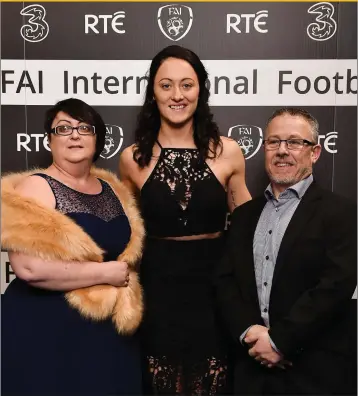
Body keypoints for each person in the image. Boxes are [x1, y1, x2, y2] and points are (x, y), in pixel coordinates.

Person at [119, 45, 252, 395]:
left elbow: (249, 225)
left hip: (215, 286)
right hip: (158, 286)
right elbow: (127, 233)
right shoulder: (132, 159)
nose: (177, 95)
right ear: (152, 92)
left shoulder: (228, 151)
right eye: (166, 85)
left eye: (186, 85)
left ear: (200, 90)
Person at [1, 98, 145, 395]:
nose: (75, 135)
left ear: (97, 138)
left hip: (106, 332)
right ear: (49, 141)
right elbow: (28, 268)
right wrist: (104, 273)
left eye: (84, 128)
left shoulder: (114, 190)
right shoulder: (36, 187)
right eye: (63, 129)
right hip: (44, 329)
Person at [216, 108, 357, 395]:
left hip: (314, 372)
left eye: (294, 142)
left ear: (315, 152)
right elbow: (225, 281)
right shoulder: (243, 216)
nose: (282, 151)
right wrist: (249, 335)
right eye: (274, 142)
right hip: (251, 372)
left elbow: (335, 287)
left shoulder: (342, 213)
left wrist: (279, 341)